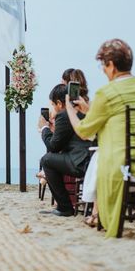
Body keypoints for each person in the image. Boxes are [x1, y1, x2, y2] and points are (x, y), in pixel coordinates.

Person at [66, 39, 135, 237]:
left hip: (122, 162)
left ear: (111, 65)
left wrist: (69, 109)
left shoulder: (106, 92)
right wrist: (89, 109)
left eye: (103, 66)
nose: (103, 70)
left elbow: (84, 131)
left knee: (99, 158)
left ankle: (98, 214)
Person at [37, 84, 92, 216]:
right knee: (51, 159)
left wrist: (44, 128)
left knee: (46, 160)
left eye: (53, 104)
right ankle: (65, 206)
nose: (53, 108)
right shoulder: (83, 110)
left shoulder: (64, 115)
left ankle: (64, 207)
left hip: (80, 162)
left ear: (60, 103)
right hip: (92, 159)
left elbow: (54, 146)